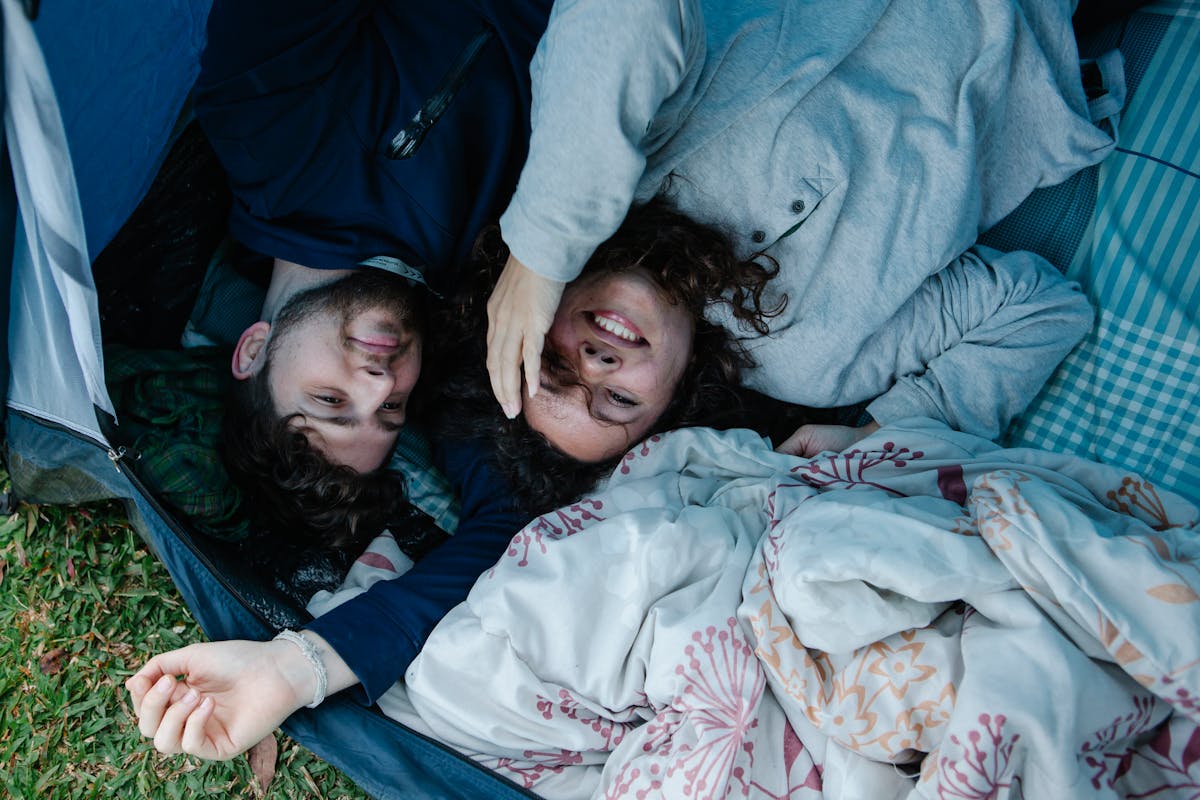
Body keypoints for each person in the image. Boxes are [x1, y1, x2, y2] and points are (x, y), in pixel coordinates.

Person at [126, 201, 789, 761]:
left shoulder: (318, 195)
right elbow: (497, 536)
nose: (380, 383)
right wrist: (290, 669)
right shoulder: (803, 357)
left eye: (340, 404)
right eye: (609, 399)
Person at [484, 0, 1115, 456]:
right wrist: (884, 431)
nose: (595, 365)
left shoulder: (609, 158)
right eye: (619, 401)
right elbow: (1040, 310)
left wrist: (538, 253)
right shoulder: (814, 364)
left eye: (552, 361)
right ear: (673, 401)